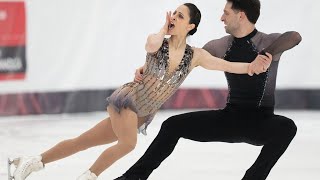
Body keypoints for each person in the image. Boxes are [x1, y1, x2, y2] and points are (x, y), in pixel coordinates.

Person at [7, 3, 271, 180]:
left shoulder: (195, 56)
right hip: (127, 101)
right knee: (128, 144)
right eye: (173, 14)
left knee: (82, 141)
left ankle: (28, 163)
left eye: (180, 16)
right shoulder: (159, 42)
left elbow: (226, 65)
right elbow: (151, 43)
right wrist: (162, 29)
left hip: (143, 113)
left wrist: (252, 66)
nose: (174, 18)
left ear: (191, 26)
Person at [114, 0, 302, 180]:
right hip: (230, 119)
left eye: (226, 13)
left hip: (261, 122)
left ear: (241, 16)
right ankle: (132, 177)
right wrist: (146, 67)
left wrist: (265, 55)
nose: (221, 18)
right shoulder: (220, 46)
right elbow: (184, 59)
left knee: (287, 127)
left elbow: (294, 36)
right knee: (172, 125)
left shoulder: (267, 42)